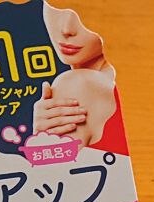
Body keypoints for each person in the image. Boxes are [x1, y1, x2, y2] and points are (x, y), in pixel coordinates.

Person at [32, 3, 116, 147]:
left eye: (88, 9)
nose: (67, 29)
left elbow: (58, 163)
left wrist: (39, 144)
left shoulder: (78, 85)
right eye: (56, 4)